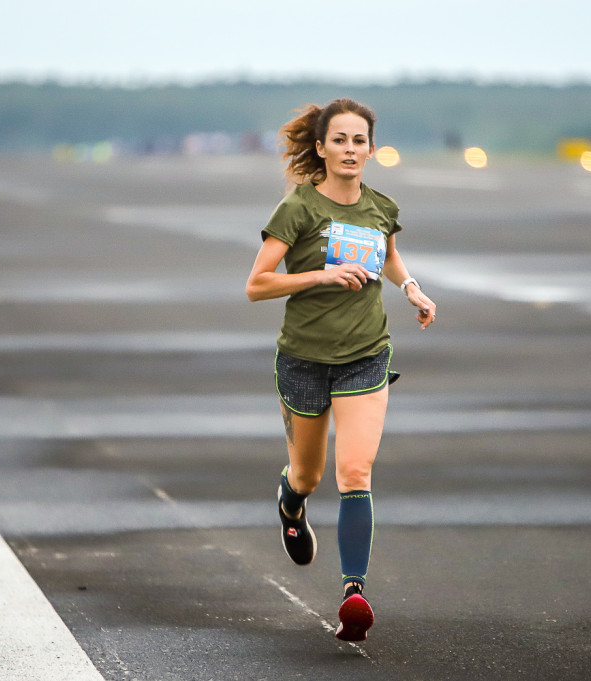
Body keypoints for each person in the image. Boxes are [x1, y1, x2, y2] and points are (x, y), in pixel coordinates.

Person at [246, 98, 436, 642]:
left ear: (371, 149)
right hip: (304, 360)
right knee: (307, 474)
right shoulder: (298, 209)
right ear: (322, 148)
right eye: (340, 141)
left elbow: (389, 256)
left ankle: (354, 593)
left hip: (365, 355)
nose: (350, 150)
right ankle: (290, 501)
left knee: (354, 472)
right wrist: (320, 276)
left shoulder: (381, 207)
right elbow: (256, 284)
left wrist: (412, 289)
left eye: (359, 142)